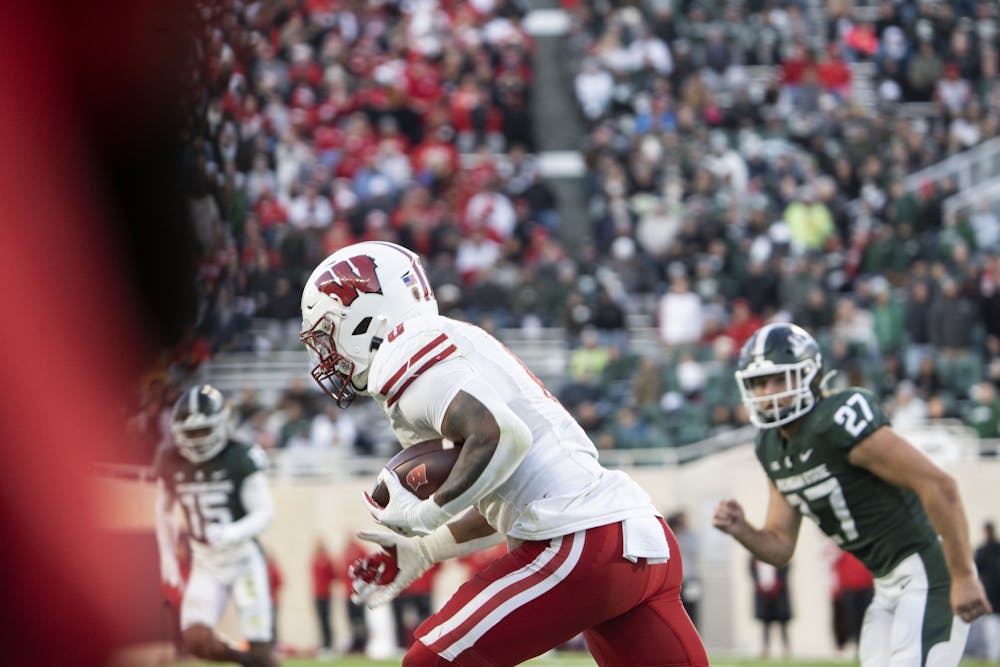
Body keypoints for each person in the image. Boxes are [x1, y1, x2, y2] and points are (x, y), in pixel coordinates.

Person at [299, 241, 707, 666]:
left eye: (329, 333)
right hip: (636, 536)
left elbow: (503, 436)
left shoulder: (401, 350)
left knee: (429, 663)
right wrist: (426, 550)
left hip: (577, 542)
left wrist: (427, 514)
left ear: (368, 318)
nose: (327, 353)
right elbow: (505, 491)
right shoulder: (453, 341)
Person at [712, 322, 991, 666]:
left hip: (926, 571)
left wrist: (961, 575)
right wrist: (743, 530)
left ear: (809, 376)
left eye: (779, 379)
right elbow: (780, 544)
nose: (769, 392)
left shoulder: (836, 420)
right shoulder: (769, 446)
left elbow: (939, 484)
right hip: (886, 583)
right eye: (759, 382)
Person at [154, 384, 281, 667]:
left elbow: (265, 513)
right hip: (205, 562)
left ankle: (255, 659)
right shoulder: (170, 458)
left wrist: (230, 532)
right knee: (196, 640)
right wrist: (167, 556)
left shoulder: (239, 455)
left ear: (222, 423)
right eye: (191, 433)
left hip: (243, 559)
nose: (198, 440)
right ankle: (244, 659)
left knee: (262, 651)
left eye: (203, 431)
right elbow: (163, 510)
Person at [749, 558, 792, 659]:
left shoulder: (779, 552)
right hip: (762, 593)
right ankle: (765, 649)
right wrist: (760, 585)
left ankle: (786, 649)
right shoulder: (754, 556)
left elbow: (786, 566)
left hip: (779, 592)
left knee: (783, 622)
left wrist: (777, 585)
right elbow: (751, 569)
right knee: (765, 623)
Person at [972, 521, 1000, 661]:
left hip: (992, 594)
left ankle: (993, 655)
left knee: (992, 627)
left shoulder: (984, 550)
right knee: (992, 626)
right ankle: (993, 655)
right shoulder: (983, 551)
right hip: (991, 595)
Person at [311, 539, 337, 659]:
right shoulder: (314, 560)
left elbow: (334, 575)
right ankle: (324, 645)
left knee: (327, 620)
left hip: (326, 594)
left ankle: (329, 645)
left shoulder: (328, 560)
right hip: (317, 594)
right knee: (321, 621)